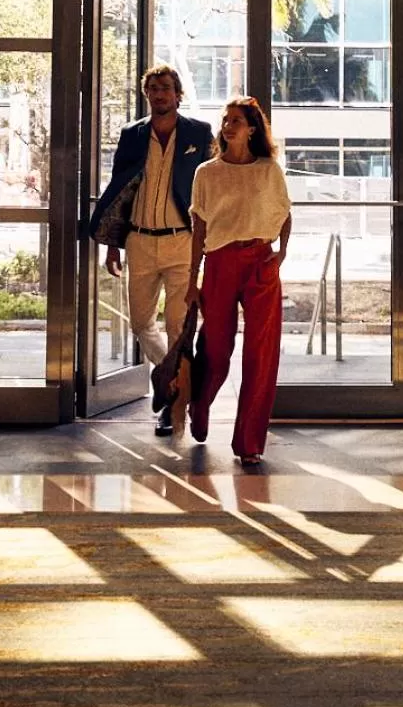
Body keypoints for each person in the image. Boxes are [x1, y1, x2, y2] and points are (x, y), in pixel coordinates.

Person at [88, 65, 213, 435]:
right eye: (153, 88)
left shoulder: (199, 133)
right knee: (141, 323)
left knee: (177, 324)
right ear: (147, 94)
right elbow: (119, 189)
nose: (159, 94)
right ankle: (173, 381)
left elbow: (211, 187)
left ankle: (171, 405)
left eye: (165, 88)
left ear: (178, 94)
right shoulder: (133, 134)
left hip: (181, 241)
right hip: (139, 241)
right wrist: (113, 245)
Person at [187, 96, 292, 467]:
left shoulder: (269, 170)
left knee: (261, 354)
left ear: (251, 129)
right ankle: (201, 403)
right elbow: (199, 229)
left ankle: (249, 442)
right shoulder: (206, 172)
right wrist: (192, 280)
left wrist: (281, 254)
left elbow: (285, 214)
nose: (228, 126)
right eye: (225, 120)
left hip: (261, 261)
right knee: (216, 350)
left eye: (236, 121)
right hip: (220, 262)